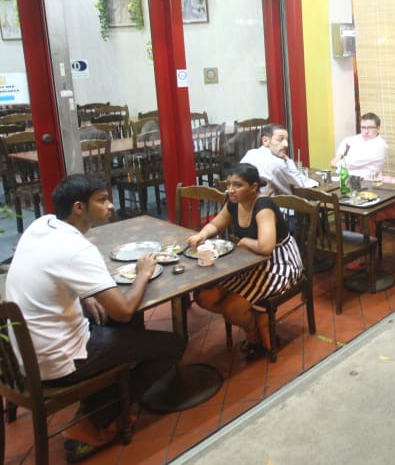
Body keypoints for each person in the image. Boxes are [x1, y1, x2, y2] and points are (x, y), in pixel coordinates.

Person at [5, 174, 185, 461]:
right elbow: (124, 310)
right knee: (173, 345)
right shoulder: (78, 249)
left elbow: (52, 273)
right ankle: (97, 419)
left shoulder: (41, 225)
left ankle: (111, 391)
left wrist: (85, 293)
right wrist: (143, 273)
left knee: (120, 326)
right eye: (102, 200)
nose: (110, 206)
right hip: (57, 360)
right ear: (78, 207)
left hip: (18, 354)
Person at [188, 163, 303, 360]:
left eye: (237, 185)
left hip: (279, 263)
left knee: (231, 309)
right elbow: (217, 223)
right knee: (203, 297)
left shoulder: (263, 206)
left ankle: (253, 335)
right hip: (250, 262)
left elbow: (267, 248)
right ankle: (259, 319)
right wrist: (202, 234)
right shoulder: (234, 201)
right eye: (229, 184)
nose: (231, 190)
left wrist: (245, 241)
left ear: (253, 187)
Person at [240, 123, 315, 195]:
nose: (286, 144)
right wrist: (289, 161)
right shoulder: (277, 163)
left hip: (246, 203)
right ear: (265, 141)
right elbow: (300, 185)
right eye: (280, 139)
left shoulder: (251, 153)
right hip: (274, 205)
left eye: (286, 140)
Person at [330, 112, 388, 179]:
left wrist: (339, 160)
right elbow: (346, 141)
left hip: (363, 183)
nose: (366, 131)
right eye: (363, 127)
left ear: (378, 129)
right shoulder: (354, 139)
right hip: (342, 178)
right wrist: (340, 156)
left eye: (370, 128)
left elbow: (350, 162)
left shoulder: (380, 145)